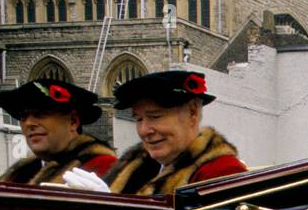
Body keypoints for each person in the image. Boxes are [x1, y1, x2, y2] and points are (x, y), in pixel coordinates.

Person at [104, 71, 246, 194]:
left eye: (155, 117)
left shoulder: (220, 173)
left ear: (192, 112)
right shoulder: (136, 167)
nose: (144, 130)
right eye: (139, 119)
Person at [0, 79, 116, 184]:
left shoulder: (104, 168)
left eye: (40, 114)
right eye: (23, 117)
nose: (28, 123)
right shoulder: (17, 175)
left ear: (73, 121)